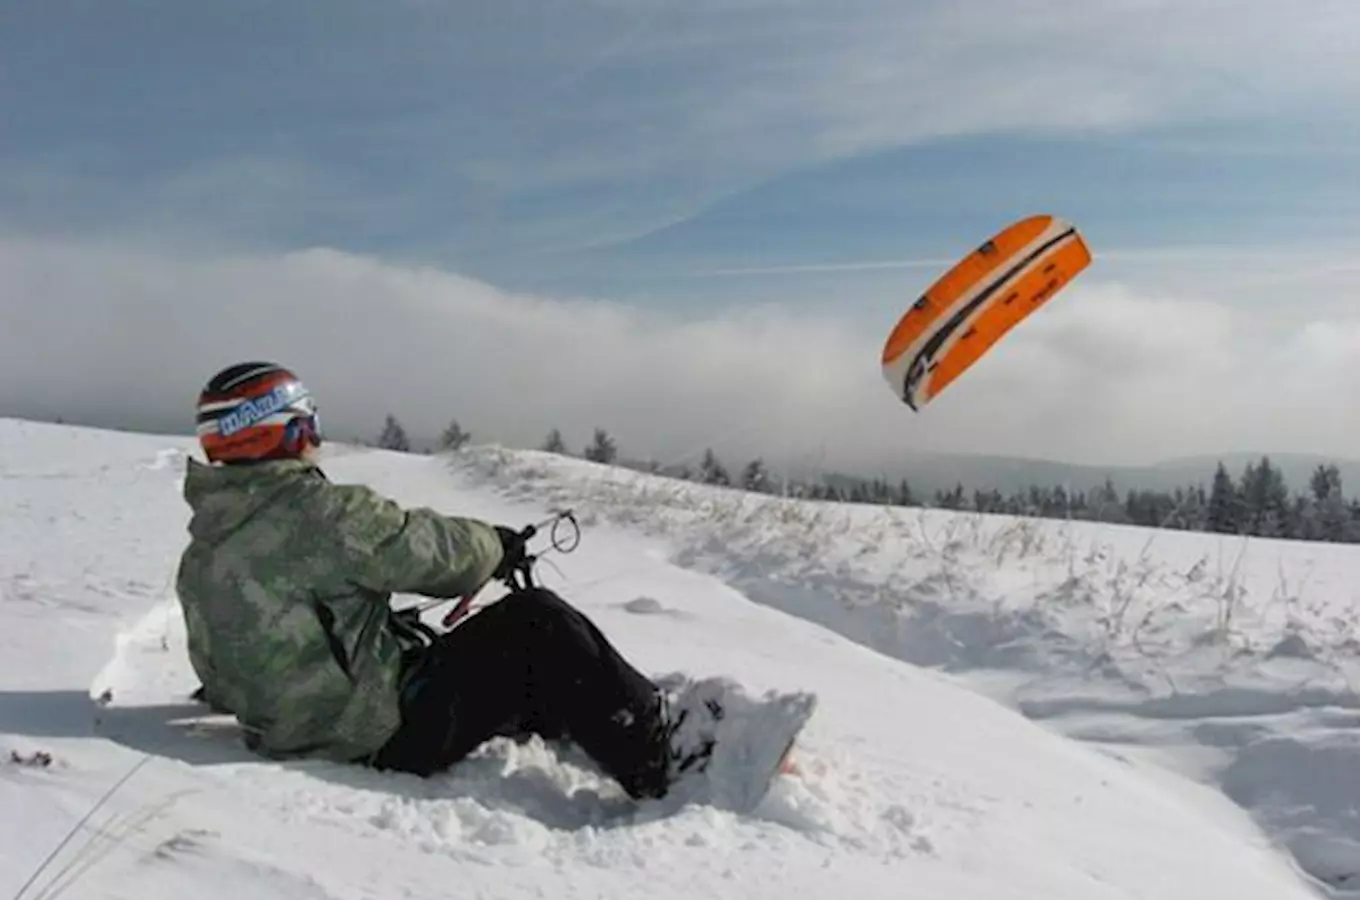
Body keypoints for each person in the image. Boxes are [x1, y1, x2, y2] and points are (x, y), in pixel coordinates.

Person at [175, 361, 719, 800]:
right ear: (288, 429)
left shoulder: (202, 554)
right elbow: (432, 553)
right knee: (536, 620)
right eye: (308, 421)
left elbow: (220, 675)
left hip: (295, 734)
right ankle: (660, 757)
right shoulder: (320, 513)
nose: (315, 435)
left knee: (444, 646)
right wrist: (496, 545)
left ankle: (571, 717)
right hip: (375, 737)